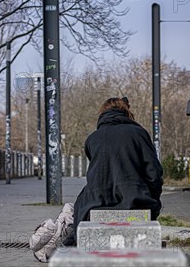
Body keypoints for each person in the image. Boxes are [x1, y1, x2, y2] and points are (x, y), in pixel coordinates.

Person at [64, 97, 163, 245]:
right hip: (135, 199)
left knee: (81, 199)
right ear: (127, 112)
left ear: (103, 114)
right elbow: (154, 172)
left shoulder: (92, 138)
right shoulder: (138, 133)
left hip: (96, 201)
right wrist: (153, 200)